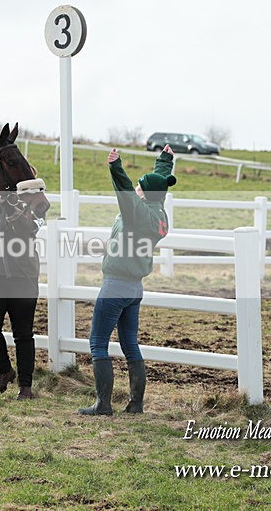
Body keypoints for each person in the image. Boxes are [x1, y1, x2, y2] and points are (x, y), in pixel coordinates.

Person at [78, 145, 177, 416]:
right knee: (130, 345)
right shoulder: (158, 213)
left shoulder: (137, 213)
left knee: (98, 341)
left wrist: (115, 166)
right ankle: (136, 404)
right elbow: (158, 181)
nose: (136, 187)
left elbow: (123, 190)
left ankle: (103, 404)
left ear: (143, 193)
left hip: (116, 284)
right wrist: (165, 160)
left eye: (139, 186)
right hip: (135, 287)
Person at [0, 176, 47, 400]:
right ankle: (5, 371)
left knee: (23, 334)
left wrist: (10, 205)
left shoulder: (40, 208)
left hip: (22, 277)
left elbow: (25, 228)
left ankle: (25, 385)